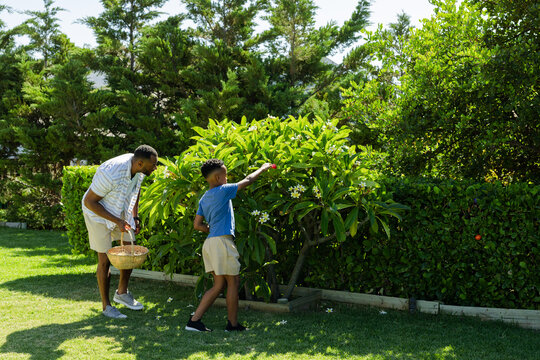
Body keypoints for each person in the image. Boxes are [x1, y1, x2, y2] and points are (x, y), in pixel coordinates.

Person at [186, 159, 273, 332]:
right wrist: (263, 168)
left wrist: (209, 229)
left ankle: (194, 321)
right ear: (218, 178)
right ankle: (232, 325)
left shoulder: (204, 198)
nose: (228, 179)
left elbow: (197, 225)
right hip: (222, 242)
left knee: (219, 285)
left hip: (210, 243)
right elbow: (248, 180)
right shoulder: (223, 190)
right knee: (233, 281)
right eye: (226, 176)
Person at [82, 145, 158, 319]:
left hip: (119, 210)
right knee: (104, 260)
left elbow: (135, 190)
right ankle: (106, 306)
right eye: (153, 165)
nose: (155, 168)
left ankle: (122, 293)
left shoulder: (139, 170)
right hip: (97, 214)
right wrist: (117, 221)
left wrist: (134, 216)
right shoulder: (112, 172)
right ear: (140, 163)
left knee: (130, 250)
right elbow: (89, 202)